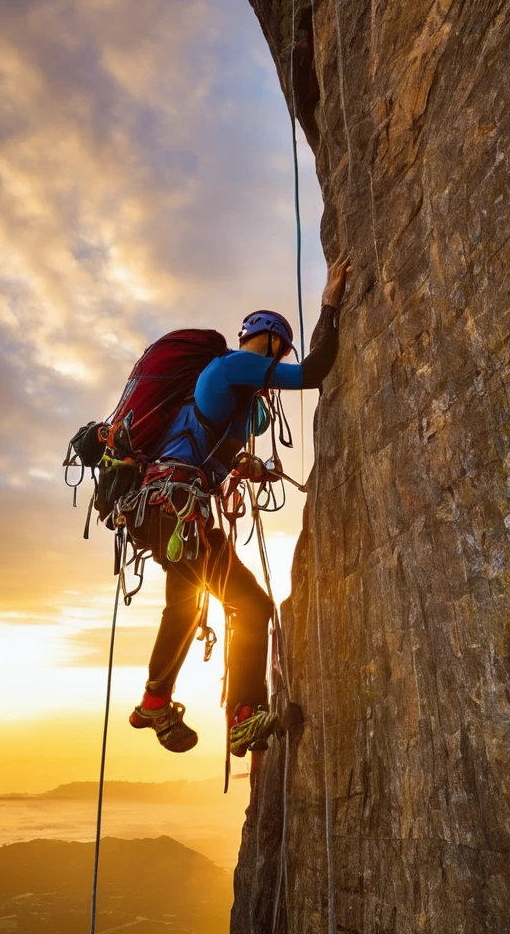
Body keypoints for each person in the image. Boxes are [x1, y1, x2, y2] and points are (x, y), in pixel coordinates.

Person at [126, 255, 351, 756]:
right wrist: (330, 305)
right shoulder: (233, 365)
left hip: (165, 510)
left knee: (184, 604)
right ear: (272, 343)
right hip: (176, 507)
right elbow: (314, 373)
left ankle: (154, 701)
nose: (276, 359)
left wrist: (245, 466)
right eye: (278, 351)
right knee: (250, 605)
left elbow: (206, 446)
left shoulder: (238, 401)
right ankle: (242, 715)